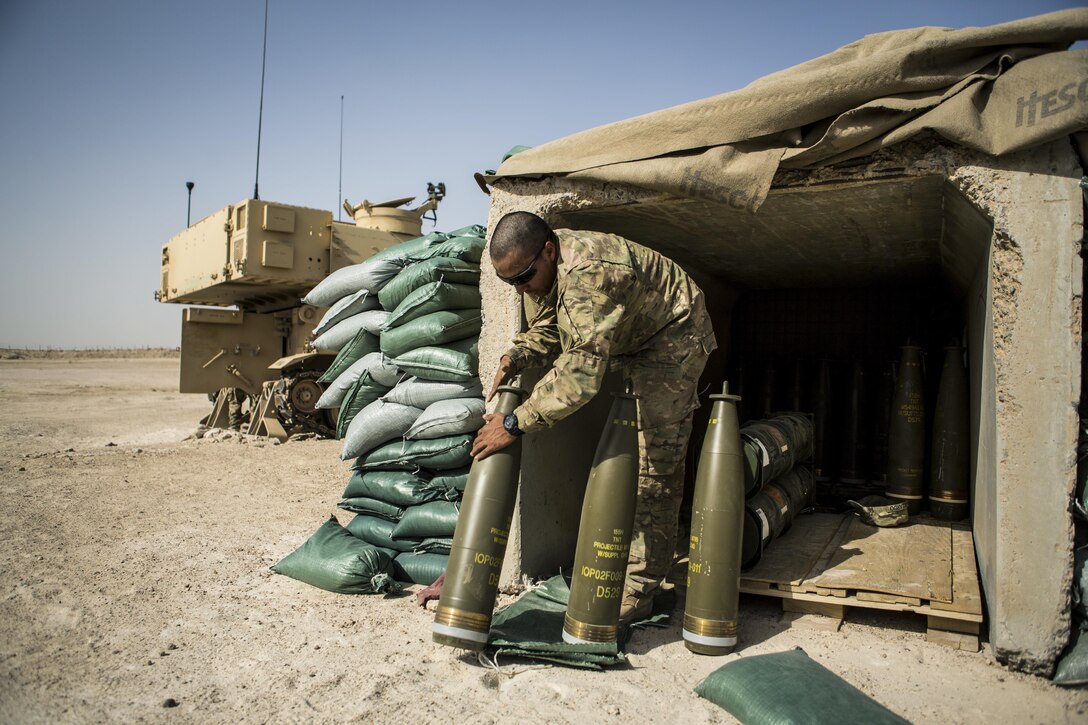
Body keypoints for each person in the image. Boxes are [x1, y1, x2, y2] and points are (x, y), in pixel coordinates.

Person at [471, 211, 716, 621]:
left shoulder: (590, 274)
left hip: (675, 337)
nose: (519, 289)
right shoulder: (550, 265)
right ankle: (638, 558)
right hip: (638, 337)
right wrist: (518, 354)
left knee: (655, 460)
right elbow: (556, 321)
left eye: (523, 277)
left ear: (548, 251)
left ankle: (642, 587)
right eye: (508, 281)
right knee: (637, 454)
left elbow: (581, 376)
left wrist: (515, 424)